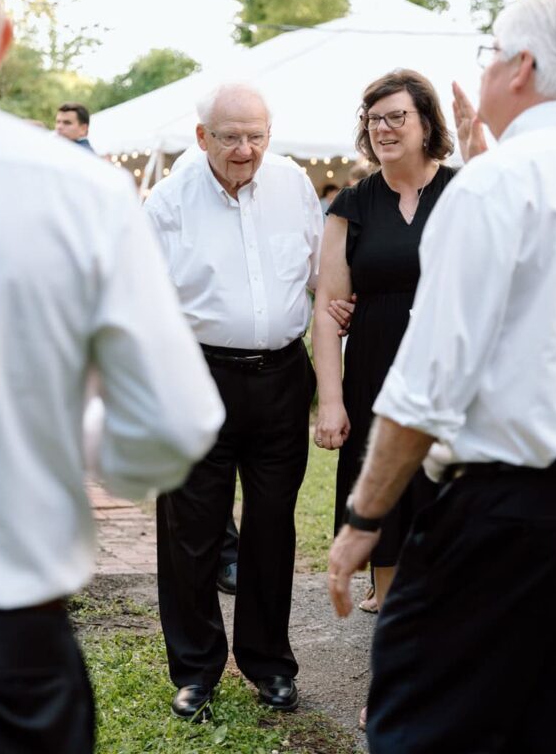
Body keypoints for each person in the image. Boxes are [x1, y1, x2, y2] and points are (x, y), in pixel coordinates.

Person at [328, 0, 556, 754]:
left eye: (492, 54)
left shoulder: (492, 186)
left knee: (419, 725)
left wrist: (364, 518)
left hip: (505, 511)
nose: (487, 70)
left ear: (523, 67)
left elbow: (427, 385)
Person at [0, 0, 225, 754]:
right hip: (0, 652)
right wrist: (79, 440)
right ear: (2, 40)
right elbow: (177, 420)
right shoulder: (77, 193)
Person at [145, 83, 322, 721]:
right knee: (190, 535)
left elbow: (320, 271)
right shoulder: (167, 202)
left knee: (273, 528)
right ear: (202, 138)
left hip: (281, 379)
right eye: (230, 137)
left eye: (257, 135)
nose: (246, 149)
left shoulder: (295, 185)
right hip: (198, 377)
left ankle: (269, 664)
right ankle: (195, 671)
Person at [312, 69, 456, 728]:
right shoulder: (351, 204)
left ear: (427, 121)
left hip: (448, 381)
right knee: (386, 529)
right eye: (375, 118)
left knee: (449, 525)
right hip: (373, 377)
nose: (385, 127)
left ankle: (451, 678)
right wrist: (332, 400)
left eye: (397, 115)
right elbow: (326, 308)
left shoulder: (464, 193)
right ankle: (394, 683)